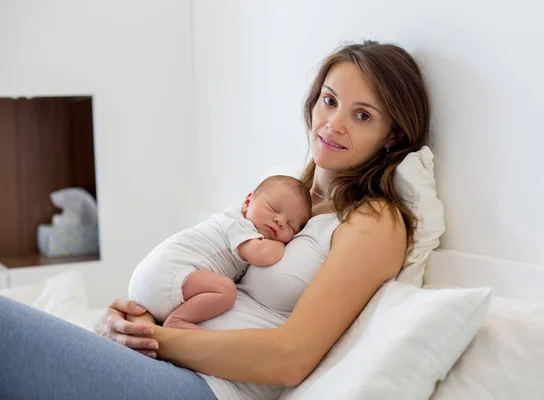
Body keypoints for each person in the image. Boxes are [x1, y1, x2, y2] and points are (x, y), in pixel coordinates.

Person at [0, 40, 430, 400]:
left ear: (393, 135)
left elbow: (290, 357)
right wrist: (138, 318)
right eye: (330, 100)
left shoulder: (373, 220)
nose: (332, 124)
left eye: (362, 115)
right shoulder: (284, 204)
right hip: (170, 364)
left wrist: (153, 340)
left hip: (206, 388)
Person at [128, 175, 311, 330]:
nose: (280, 221)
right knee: (225, 290)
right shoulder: (238, 223)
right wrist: (281, 245)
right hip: (165, 275)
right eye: (273, 209)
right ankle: (178, 321)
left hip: (153, 283)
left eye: (290, 225)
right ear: (248, 202)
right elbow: (262, 255)